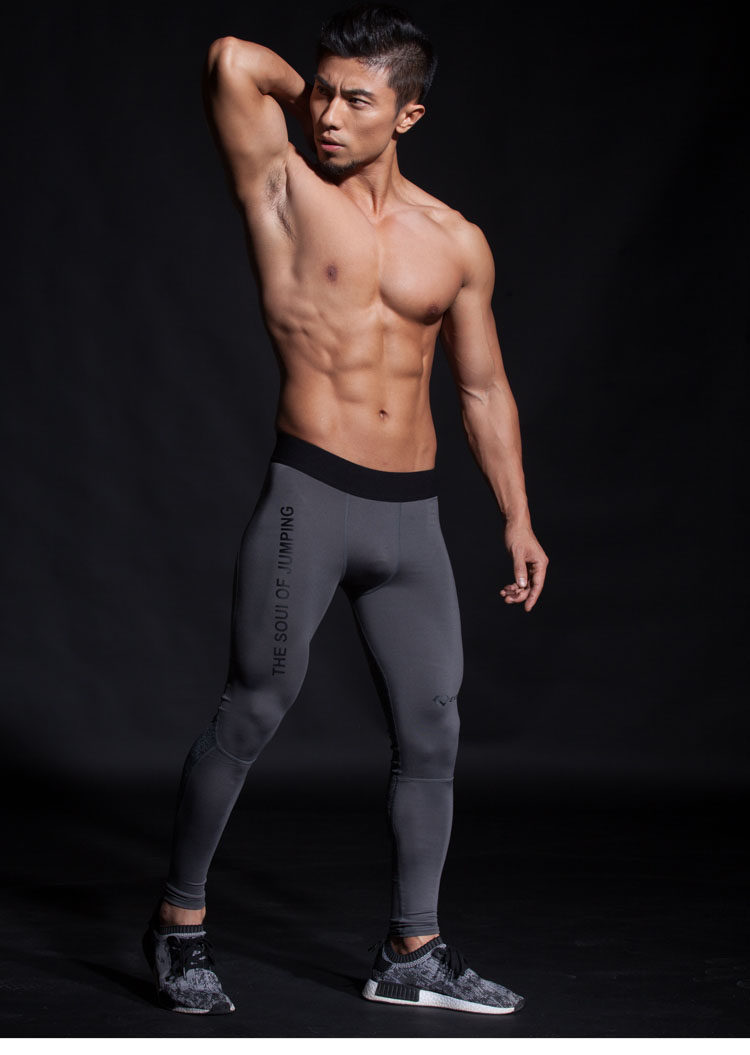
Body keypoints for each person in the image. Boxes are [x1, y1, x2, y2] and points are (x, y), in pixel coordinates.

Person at [142, 2, 548, 1017]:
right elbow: (232, 59)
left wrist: (516, 516)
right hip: (310, 498)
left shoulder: (454, 241)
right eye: (320, 92)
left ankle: (414, 948)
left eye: (357, 100)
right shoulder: (282, 185)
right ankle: (179, 922)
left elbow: (482, 388)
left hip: (412, 520)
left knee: (433, 729)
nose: (326, 114)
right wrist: (320, 91)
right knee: (254, 708)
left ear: (409, 115)